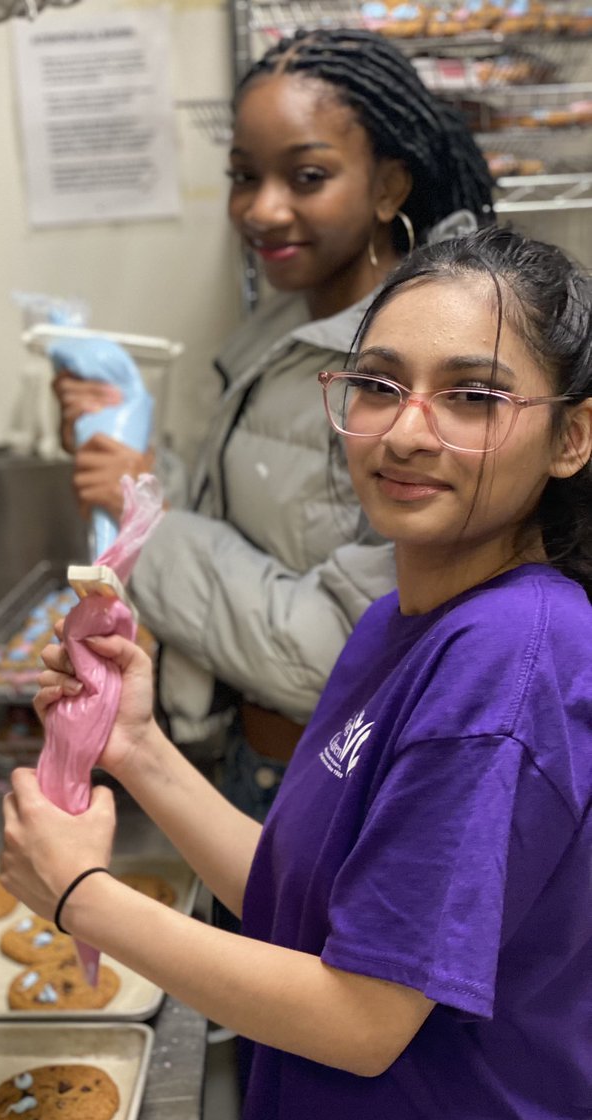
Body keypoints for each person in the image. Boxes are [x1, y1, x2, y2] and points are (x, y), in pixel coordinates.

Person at [2, 225, 592, 1120]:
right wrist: (140, 750)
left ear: (571, 436)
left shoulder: (512, 660)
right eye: (377, 384)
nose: (407, 430)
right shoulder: (403, 618)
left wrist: (81, 899)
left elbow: (363, 1019)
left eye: (472, 396)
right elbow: (302, 901)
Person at [53, 28, 496, 835]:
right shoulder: (281, 333)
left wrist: (143, 527)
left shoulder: (411, 377)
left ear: (390, 184)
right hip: (255, 769)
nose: (261, 208)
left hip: (343, 794)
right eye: (243, 177)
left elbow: (337, 652)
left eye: (308, 175)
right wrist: (128, 459)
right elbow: (246, 522)